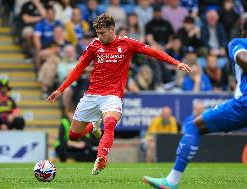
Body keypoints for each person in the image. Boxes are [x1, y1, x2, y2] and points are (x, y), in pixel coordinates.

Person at [46, 13, 192, 175]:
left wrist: (176, 62)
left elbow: (152, 52)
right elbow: (79, 68)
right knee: (73, 135)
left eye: (102, 33)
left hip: (112, 96)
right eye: (97, 33)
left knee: (109, 124)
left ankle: (102, 157)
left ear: (111, 29)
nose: (99, 36)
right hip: (92, 95)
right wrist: (60, 89)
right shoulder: (94, 46)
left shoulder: (127, 43)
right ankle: (93, 125)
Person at [142, 19, 247, 189]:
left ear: (242, 30)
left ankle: (171, 181)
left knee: (193, 126)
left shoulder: (238, 42)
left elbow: (242, 58)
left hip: (243, 105)